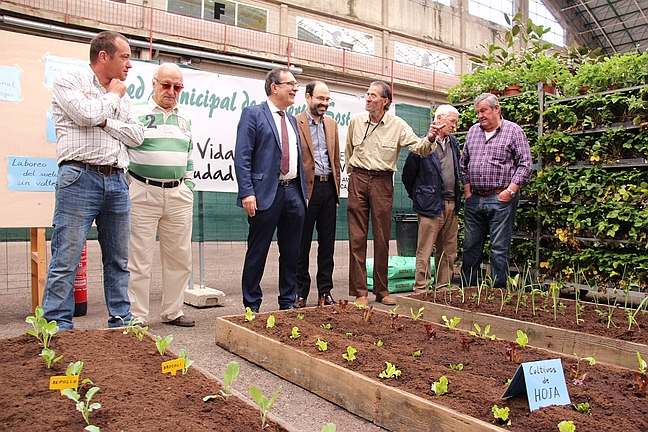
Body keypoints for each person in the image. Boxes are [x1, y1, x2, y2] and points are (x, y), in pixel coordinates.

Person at [42, 31, 144, 330]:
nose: (129, 65)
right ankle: (57, 326)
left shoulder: (121, 93)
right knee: (66, 257)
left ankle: (121, 318)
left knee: (118, 259)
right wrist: (112, 98)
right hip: (78, 177)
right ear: (104, 56)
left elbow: (137, 136)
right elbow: (84, 114)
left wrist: (104, 119)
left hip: (116, 180)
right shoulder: (69, 80)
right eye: (124, 57)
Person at [346, 80, 438, 306]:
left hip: (382, 182)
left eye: (373, 95)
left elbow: (419, 147)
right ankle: (360, 292)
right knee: (357, 238)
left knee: (382, 237)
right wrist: (352, 175)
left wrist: (432, 138)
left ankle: (382, 290)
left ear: (385, 101)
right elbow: (348, 150)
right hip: (357, 178)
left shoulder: (398, 125)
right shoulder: (356, 122)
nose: (368, 98)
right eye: (367, 94)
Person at [126, 63, 195, 327]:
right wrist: (130, 185)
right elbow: (124, 149)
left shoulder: (185, 117)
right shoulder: (136, 112)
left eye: (177, 87)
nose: (171, 91)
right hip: (142, 190)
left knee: (180, 257)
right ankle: (137, 315)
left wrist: (187, 185)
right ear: (153, 84)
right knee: (139, 257)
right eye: (166, 85)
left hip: (178, 193)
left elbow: (189, 155)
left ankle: (173, 311)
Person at [234, 68, 308, 312]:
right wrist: (247, 192)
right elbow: (243, 156)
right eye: (290, 84)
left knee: (291, 253)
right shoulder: (253, 114)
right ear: (274, 87)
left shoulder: (292, 120)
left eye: (296, 84)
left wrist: (302, 196)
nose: (295, 88)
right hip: (265, 194)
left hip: (293, 194)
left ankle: (287, 302)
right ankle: (251, 305)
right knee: (258, 251)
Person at [459, 93, 533, 289]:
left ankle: (498, 292)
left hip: (500, 198)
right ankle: (468, 290)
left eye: (484, 111)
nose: (480, 116)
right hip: (475, 199)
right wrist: (468, 192)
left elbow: (525, 165)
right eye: (478, 112)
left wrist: (510, 191)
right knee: (470, 247)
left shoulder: (513, 131)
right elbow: (463, 163)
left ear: (496, 109)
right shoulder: (473, 132)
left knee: (499, 248)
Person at [402, 104, 461, 291]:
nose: (454, 126)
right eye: (452, 121)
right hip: (430, 205)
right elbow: (408, 175)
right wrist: (420, 197)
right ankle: (421, 287)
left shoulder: (454, 143)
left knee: (449, 250)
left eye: (455, 122)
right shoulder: (421, 144)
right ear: (438, 120)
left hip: (452, 204)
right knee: (425, 249)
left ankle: (443, 286)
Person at [294, 81, 341, 308]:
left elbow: (336, 160)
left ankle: (325, 292)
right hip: (305, 192)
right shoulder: (295, 122)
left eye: (327, 99)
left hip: (328, 190)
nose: (324, 103)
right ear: (308, 97)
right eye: (320, 99)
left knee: (327, 245)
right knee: (301, 245)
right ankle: (300, 292)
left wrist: (337, 192)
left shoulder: (332, 125)